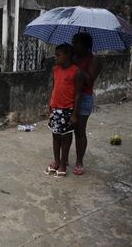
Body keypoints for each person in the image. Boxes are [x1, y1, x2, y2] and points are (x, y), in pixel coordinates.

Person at [45, 44, 83, 177]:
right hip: (55, 107)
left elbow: (78, 94)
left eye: (58, 55)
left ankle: (63, 163)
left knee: (66, 137)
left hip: (67, 109)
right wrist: (50, 106)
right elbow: (54, 87)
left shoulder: (76, 71)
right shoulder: (55, 69)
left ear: (67, 56)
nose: (56, 58)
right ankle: (56, 161)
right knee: (55, 135)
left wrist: (75, 113)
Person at [72, 33, 101, 175]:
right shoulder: (73, 57)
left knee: (80, 130)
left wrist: (77, 66)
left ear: (85, 45)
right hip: (70, 96)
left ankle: (79, 161)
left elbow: (90, 80)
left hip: (84, 97)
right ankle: (64, 158)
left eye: (76, 43)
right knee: (67, 129)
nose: (74, 46)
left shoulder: (94, 59)